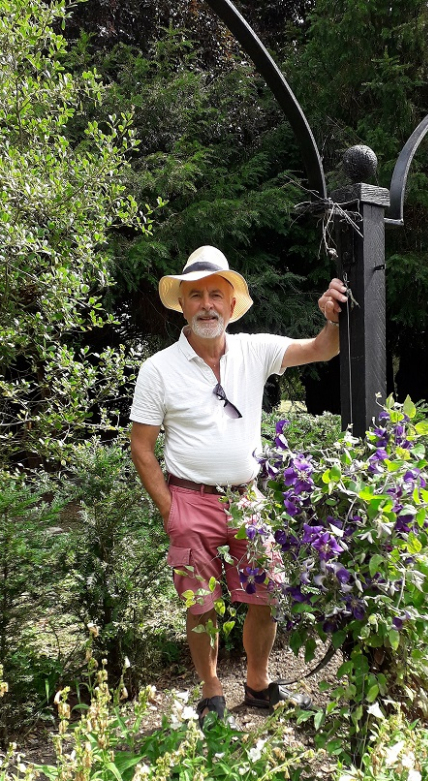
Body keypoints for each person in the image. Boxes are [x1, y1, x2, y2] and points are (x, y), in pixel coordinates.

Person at [130, 245, 347, 725]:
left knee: (266, 594)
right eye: (196, 295)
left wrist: (331, 318)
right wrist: (170, 509)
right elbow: (141, 447)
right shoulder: (158, 370)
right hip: (190, 501)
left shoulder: (254, 350)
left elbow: (322, 348)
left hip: (247, 501)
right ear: (182, 304)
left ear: (231, 305)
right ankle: (211, 693)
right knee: (200, 605)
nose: (206, 304)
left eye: (216, 295)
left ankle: (258, 684)